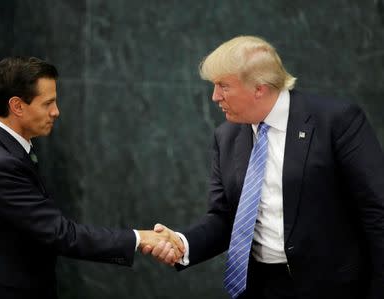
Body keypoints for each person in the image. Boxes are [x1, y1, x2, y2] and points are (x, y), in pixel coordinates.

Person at [144, 36, 384, 299]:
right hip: (261, 288)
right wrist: (182, 243)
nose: (215, 97)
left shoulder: (336, 121)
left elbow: (376, 210)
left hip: (334, 288)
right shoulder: (226, 137)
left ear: (259, 88)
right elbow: (226, 218)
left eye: (224, 86)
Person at [0, 56, 184, 299]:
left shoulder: (5, 150)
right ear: (18, 106)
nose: (56, 112)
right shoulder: (0, 164)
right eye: (48, 103)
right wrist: (139, 238)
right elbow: (61, 234)